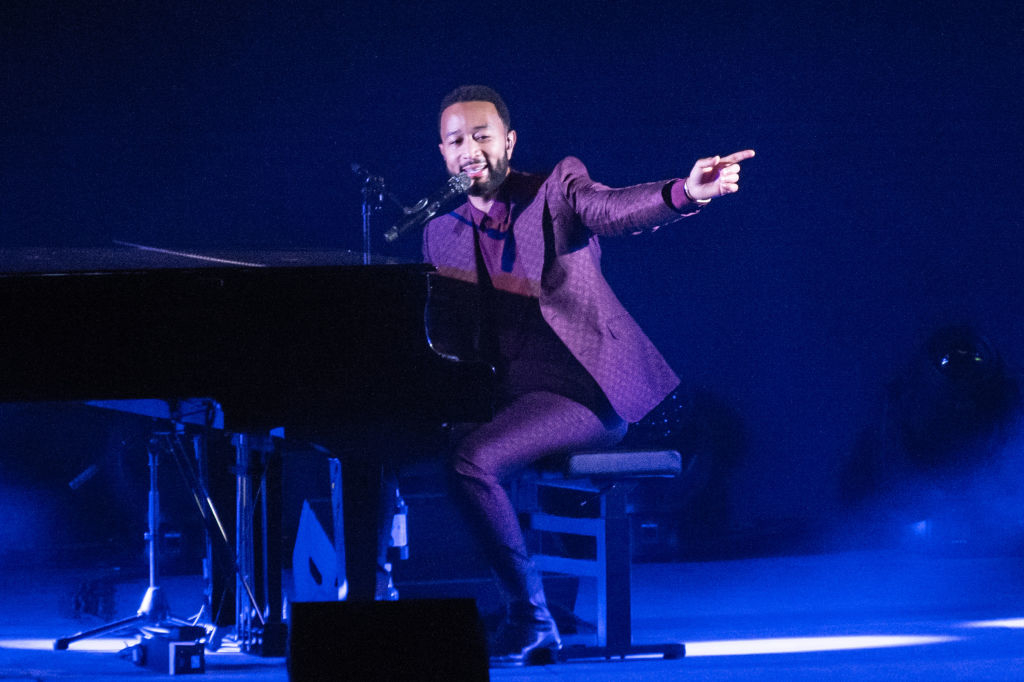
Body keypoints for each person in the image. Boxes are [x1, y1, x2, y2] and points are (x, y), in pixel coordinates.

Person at [421, 84, 754, 666]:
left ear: (509, 141)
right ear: (443, 154)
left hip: (583, 393)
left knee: (470, 459)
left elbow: (612, 209)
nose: (469, 149)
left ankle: (532, 620)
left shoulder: (553, 190)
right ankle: (524, 605)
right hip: (509, 395)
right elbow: (448, 341)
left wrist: (683, 192)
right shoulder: (438, 232)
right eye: (456, 141)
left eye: (481, 135)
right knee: (443, 445)